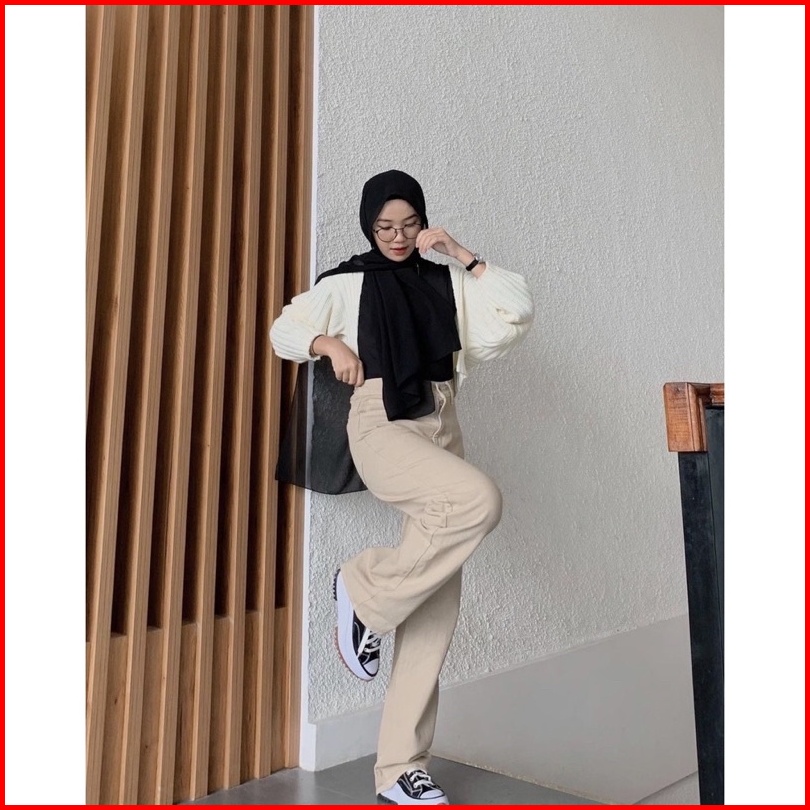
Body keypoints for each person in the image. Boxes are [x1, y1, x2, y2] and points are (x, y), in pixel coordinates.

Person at [269, 169, 533, 805]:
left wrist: (463, 254)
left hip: (442, 420)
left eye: (410, 224)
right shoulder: (348, 282)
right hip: (381, 419)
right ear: (369, 226)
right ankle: (362, 590)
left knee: (435, 611)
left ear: (424, 223)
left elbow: (515, 312)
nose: (397, 236)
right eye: (385, 226)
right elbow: (283, 332)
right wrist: (329, 344)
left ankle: (399, 770)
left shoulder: (446, 281)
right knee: (478, 500)